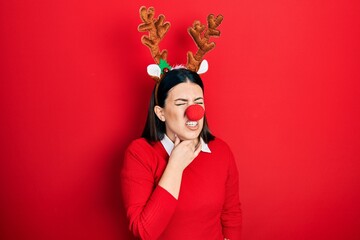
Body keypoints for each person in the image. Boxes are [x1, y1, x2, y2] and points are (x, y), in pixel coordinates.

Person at [120, 68, 242, 239]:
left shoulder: (221, 151)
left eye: (198, 102)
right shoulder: (140, 153)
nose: (193, 112)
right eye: (180, 103)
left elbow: (231, 213)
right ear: (160, 113)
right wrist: (175, 166)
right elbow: (144, 231)